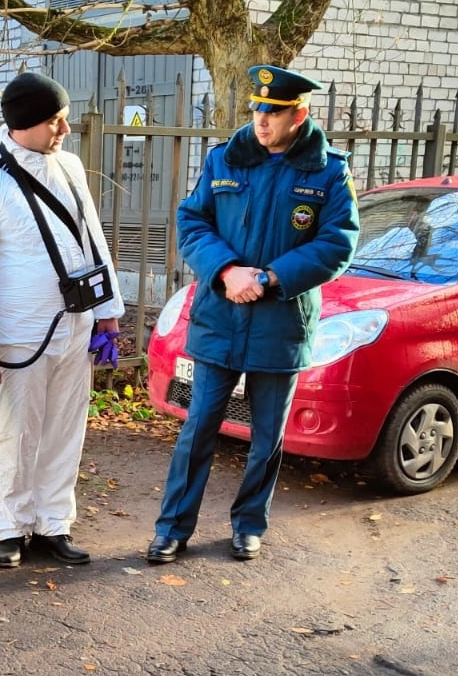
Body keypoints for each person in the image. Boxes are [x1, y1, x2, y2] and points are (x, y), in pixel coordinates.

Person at [146, 65, 360, 564]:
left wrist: (266, 278)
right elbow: (192, 220)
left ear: (298, 114)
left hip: (280, 323)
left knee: (267, 436)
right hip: (221, 316)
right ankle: (173, 529)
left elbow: (338, 242)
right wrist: (225, 272)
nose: (262, 120)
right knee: (199, 427)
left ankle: (248, 525)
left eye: (274, 111)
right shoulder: (226, 158)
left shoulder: (328, 170)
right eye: (257, 109)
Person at [0, 72, 125, 568]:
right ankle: (11, 525)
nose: (65, 130)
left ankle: (54, 522)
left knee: (65, 428)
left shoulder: (68, 166)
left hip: (75, 327)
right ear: (25, 123)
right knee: (17, 432)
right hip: (19, 331)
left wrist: (107, 314)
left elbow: (94, 241)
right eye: (55, 120)